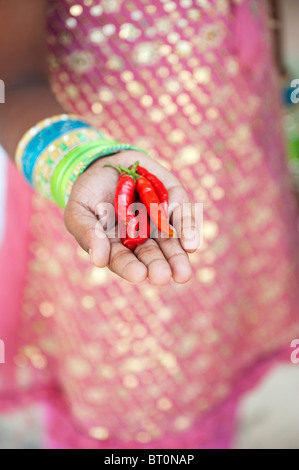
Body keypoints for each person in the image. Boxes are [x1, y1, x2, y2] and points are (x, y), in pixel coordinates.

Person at [0, 0, 298, 449]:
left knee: (231, 343)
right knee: (149, 409)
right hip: (113, 254)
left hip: (240, 196)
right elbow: (12, 82)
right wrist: (82, 160)